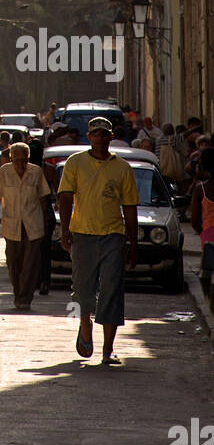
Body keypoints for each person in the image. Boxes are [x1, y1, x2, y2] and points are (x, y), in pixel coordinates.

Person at [58, 117, 139, 365]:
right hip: (83, 233)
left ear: (110, 137)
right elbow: (65, 196)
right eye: (96, 134)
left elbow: (130, 207)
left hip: (113, 234)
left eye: (105, 134)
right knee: (83, 288)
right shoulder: (76, 162)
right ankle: (85, 325)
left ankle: (108, 349)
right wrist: (65, 230)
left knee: (112, 289)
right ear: (89, 137)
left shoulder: (122, 168)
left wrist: (133, 244)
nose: (100, 138)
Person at [0, 141, 51, 310]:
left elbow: (43, 199)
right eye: (17, 160)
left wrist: (46, 223)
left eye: (24, 160)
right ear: (11, 159)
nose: (21, 164)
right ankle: (18, 293)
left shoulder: (36, 172)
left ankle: (25, 297)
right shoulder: (4, 172)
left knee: (30, 263)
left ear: (28, 159)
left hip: (33, 224)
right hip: (11, 225)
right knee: (13, 261)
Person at [29, 138, 55, 294]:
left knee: (31, 249)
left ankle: (35, 280)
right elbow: (58, 193)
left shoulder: (25, 170)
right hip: (47, 213)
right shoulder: (49, 170)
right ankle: (44, 280)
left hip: (31, 212)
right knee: (45, 249)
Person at [190, 147, 214, 307]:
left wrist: (203, 233)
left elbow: (194, 220)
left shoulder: (201, 189)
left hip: (208, 238)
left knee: (205, 274)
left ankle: (209, 303)